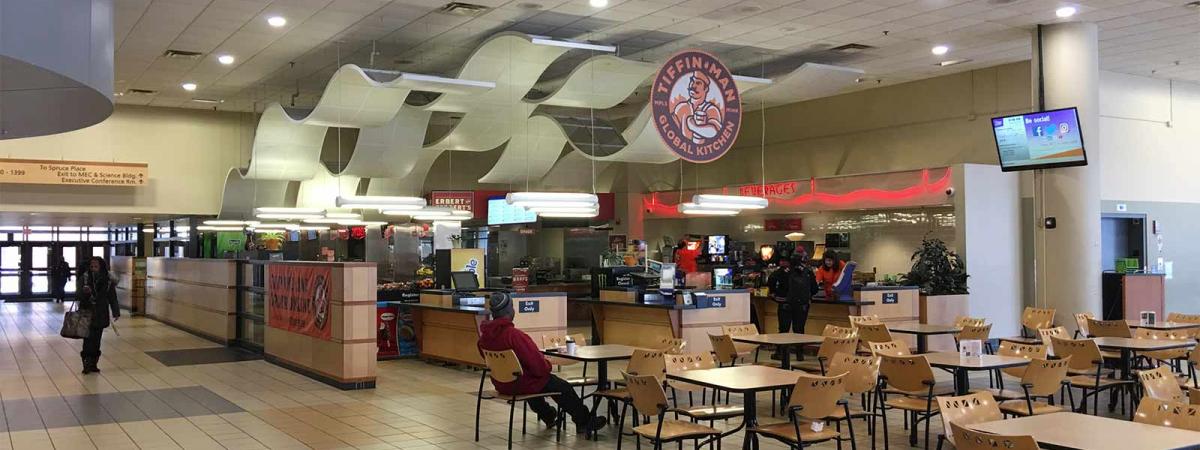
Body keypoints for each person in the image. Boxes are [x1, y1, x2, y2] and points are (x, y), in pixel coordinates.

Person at [477, 292, 606, 434]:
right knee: (560, 386)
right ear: (509, 311)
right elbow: (539, 368)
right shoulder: (514, 336)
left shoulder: (484, 338)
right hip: (520, 384)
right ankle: (584, 421)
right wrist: (548, 364)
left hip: (502, 384)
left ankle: (549, 415)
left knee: (533, 382)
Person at [78, 256, 120, 374]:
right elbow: (78, 295)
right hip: (87, 312)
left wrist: (116, 311)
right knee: (87, 339)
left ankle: (93, 363)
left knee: (97, 339)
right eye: (91, 267)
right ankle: (86, 363)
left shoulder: (107, 280)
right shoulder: (85, 278)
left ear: (101, 267)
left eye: (96, 266)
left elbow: (112, 297)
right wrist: (85, 293)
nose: (93, 269)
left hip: (101, 313)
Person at [773, 251, 818, 335]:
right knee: (799, 330)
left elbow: (771, 282)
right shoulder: (807, 271)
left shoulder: (783, 271)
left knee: (783, 330)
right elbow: (815, 289)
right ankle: (799, 347)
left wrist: (775, 295)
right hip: (802, 305)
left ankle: (782, 347)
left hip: (785, 304)